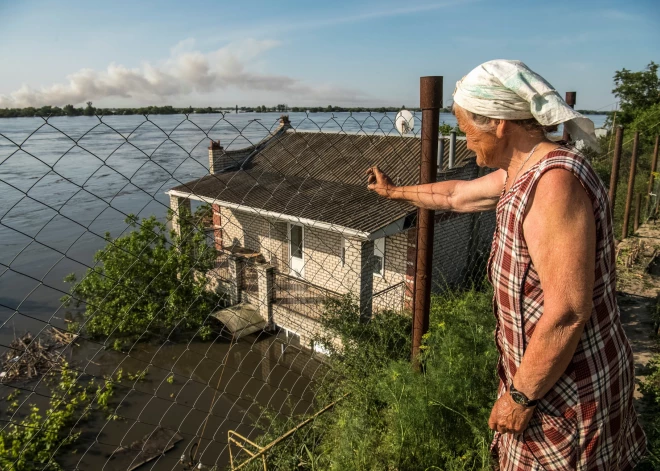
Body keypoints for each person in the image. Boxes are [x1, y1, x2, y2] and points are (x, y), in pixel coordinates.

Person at [366, 60, 646, 470]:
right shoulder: (525, 171)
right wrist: (394, 192)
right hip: (550, 378)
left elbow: (568, 312)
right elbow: (456, 196)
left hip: (567, 389)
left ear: (499, 124)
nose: (464, 143)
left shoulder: (552, 184)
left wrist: (520, 396)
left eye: (466, 130)